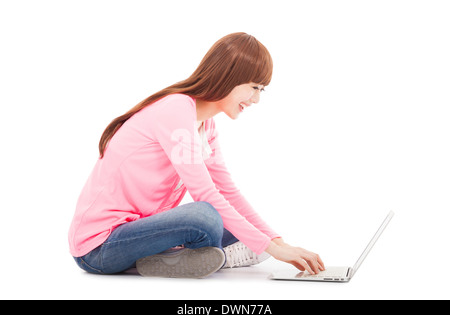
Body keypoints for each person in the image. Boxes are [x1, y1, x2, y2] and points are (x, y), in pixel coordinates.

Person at [68, 32, 325, 278]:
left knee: (239, 228)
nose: (256, 99)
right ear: (230, 76)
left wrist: (278, 242)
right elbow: (206, 195)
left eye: (261, 90)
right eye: (254, 87)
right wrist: (270, 248)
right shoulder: (176, 110)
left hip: (138, 235)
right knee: (204, 216)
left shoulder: (207, 125)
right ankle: (218, 257)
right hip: (100, 247)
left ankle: (181, 258)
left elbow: (229, 192)